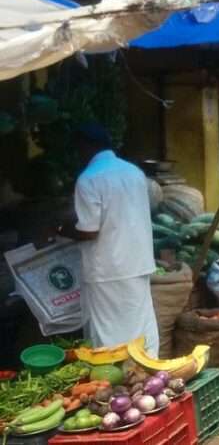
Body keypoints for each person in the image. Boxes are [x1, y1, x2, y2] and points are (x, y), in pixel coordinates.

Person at [60, 123, 159, 356]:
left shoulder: (89, 178)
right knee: (140, 326)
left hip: (107, 269)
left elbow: (89, 230)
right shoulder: (134, 172)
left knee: (109, 335)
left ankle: (115, 383)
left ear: (85, 146)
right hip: (138, 262)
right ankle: (152, 374)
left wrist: (61, 230)